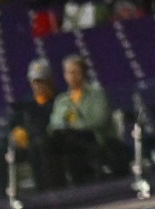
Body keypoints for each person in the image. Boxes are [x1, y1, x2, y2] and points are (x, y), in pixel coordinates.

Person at [48, 56, 114, 185]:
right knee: (48, 143)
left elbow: (99, 120)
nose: (71, 76)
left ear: (83, 73)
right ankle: (54, 187)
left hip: (92, 137)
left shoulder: (97, 94)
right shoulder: (61, 100)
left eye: (75, 72)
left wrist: (75, 126)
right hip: (67, 137)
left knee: (70, 138)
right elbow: (53, 124)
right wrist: (65, 126)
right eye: (68, 72)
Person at [0, 61, 58, 195]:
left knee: (38, 146)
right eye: (34, 81)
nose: (37, 85)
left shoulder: (58, 100)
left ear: (49, 80)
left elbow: (53, 125)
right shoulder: (25, 103)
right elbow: (11, 124)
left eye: (41, 81)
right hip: (26, 144)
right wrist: (13, 134)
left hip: (49, 143)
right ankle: (4, 195)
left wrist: (29, 134)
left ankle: (44, 192)